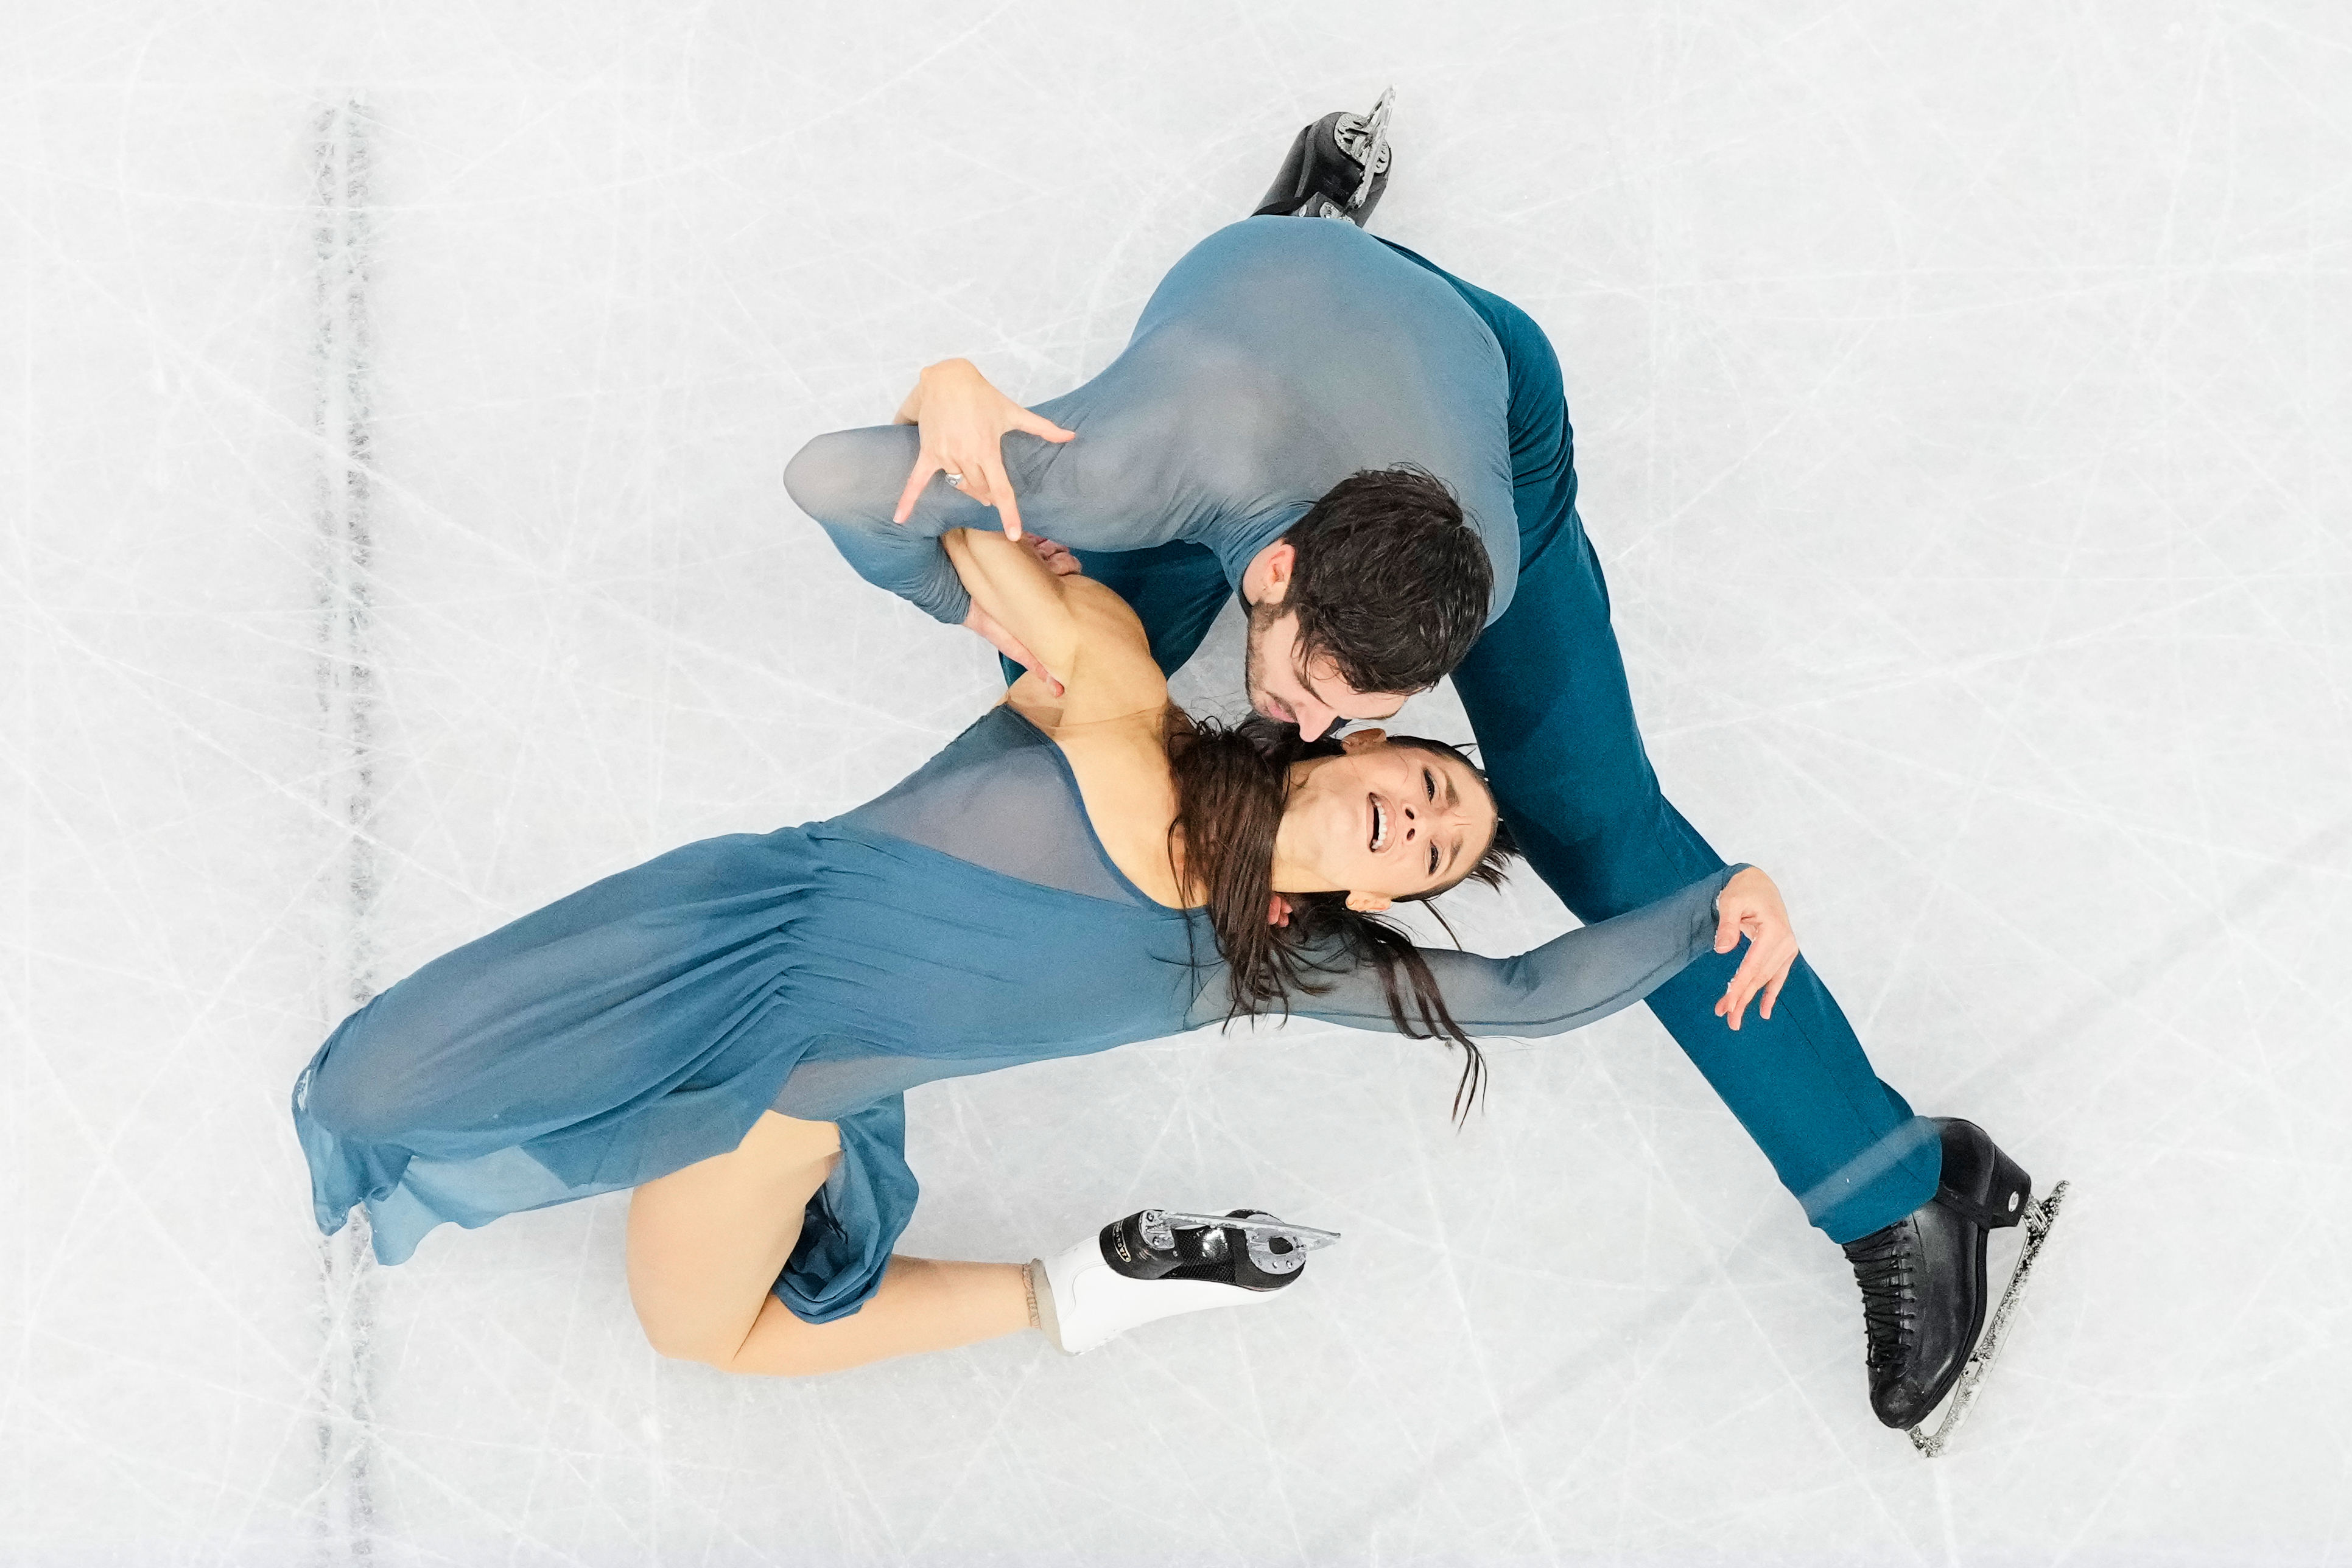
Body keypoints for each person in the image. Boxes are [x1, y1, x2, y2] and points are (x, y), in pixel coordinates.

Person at [780, 100, 2039, 1429]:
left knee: (1590, 820)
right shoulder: (1132, 465)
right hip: (1233, 345)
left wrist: (1711, 904)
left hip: (1481, 386)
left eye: (1364, 709)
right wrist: (963, 537)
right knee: (1055, 743)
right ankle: (1301, 239)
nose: (1320, 731)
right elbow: (835, 479)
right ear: (1270, 569)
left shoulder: (1474, 557)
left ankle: (1901, 1186)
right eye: (1318, 691)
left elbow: (1528, 897)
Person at [292, 522, 1790, 1377]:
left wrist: (1717, 897)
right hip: (717, 937)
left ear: (1392, 903)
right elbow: (934, 537)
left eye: (1446, 851)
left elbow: (1527, 997)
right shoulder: (1129, 708)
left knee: (706, 1336)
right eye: (1435, 787)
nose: (1426, 823)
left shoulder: (1265, 962)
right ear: (1364, 742)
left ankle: (1079, 1288)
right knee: (364, 1096)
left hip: (785, 1110)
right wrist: (1000, 526)